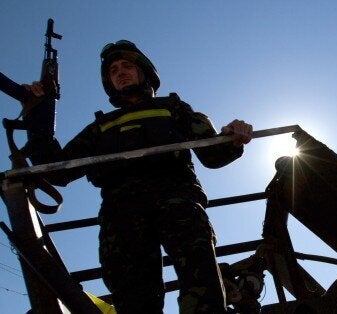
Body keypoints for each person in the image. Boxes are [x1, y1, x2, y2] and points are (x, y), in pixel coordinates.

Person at [23, 40, 253, 313]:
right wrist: (37, 111)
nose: (120, 72)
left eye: (127, 66)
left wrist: (232, 138)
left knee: (203, 286)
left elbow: (213, 154)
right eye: (113, 70)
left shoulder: (174, 109)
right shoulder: (101, 126)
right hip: (121, 216)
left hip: (178, 204)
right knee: (134, 300)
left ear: (144, 71)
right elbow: (57, 170)